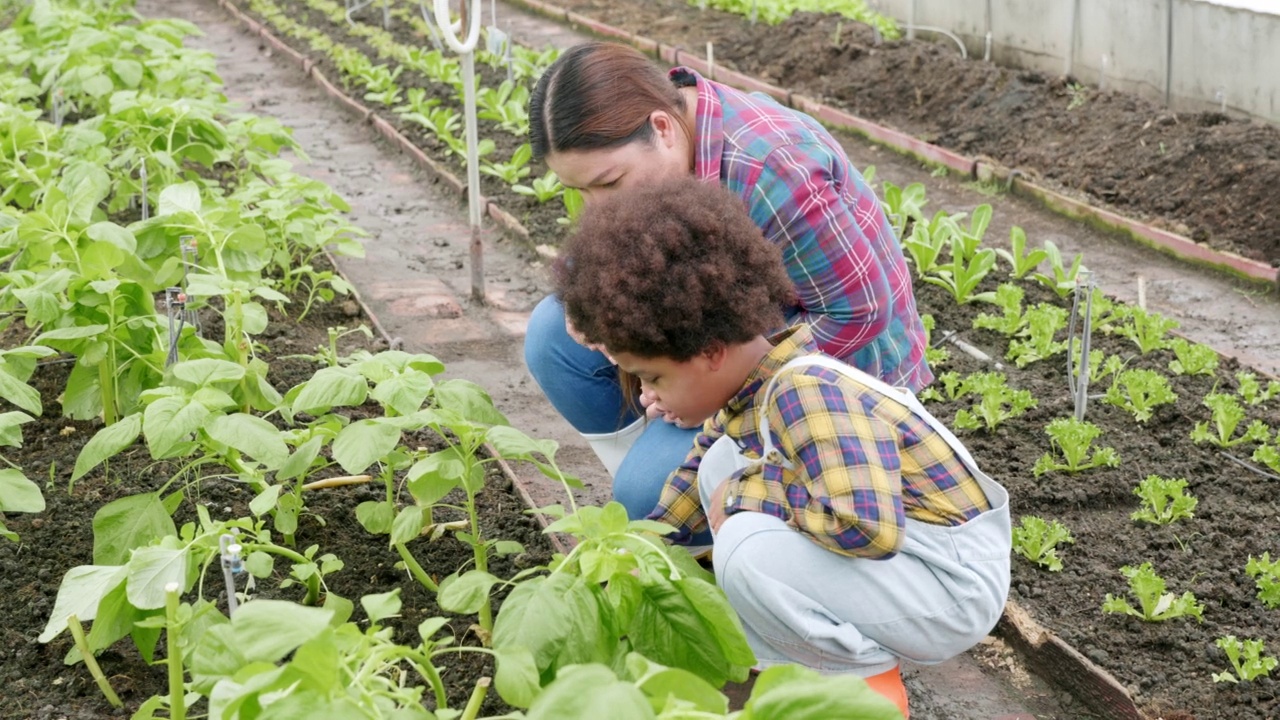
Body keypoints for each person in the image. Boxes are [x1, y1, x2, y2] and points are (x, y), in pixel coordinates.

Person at [552, 177, 1012, 718]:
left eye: (652, 377)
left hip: (948, 587)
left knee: (747, 545)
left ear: (709, 352)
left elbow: (864, 525)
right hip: (910, 561)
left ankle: (856, 687)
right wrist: (640, 546)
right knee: (720, 465)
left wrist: (747, 492)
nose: (648, 398)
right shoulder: (753, 384)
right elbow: (695, 475)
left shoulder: (805, 390)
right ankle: (787, 658)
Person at [524, 42, 932, 534]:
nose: (598, 208)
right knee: (554, 335)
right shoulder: (658, 150)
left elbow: (859, 313)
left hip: (830, 357)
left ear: (662, 128)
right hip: (725, 328)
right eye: (580, 191)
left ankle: (698, 499)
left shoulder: (772, 168)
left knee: (645, 493)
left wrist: (704, 383)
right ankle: (680, 482)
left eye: (609, 184)